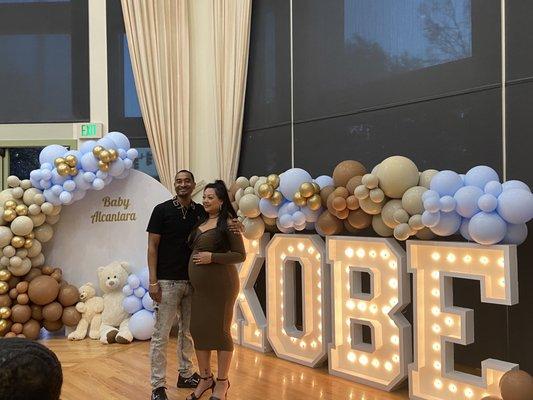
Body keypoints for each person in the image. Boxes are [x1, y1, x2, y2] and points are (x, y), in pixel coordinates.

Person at [147, 171, 241, 400]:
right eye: (178, 181)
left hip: (195, 286)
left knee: (189, 333)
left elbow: (226, 229)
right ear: (174, 184)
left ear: (193, 185)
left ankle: (186, 373)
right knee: (161, 335)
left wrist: (239, 225)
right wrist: (153, 282)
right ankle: (158, 385)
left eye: (187, 181)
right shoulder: (161, 210)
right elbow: (152, 247)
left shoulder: (200, 211)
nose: (182, 184)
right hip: (167, 281)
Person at [186, 180, 246, 400]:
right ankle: (205, 378)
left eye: (210, 197)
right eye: (204, 197)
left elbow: (240, 255)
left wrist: (212, 257)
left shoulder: (228, 224)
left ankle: (222, 382)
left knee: (221, 333)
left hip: (221, 287)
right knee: (198, 331)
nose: (205, 200)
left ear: (221, 201)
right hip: (200, 290)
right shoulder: (202, 221)